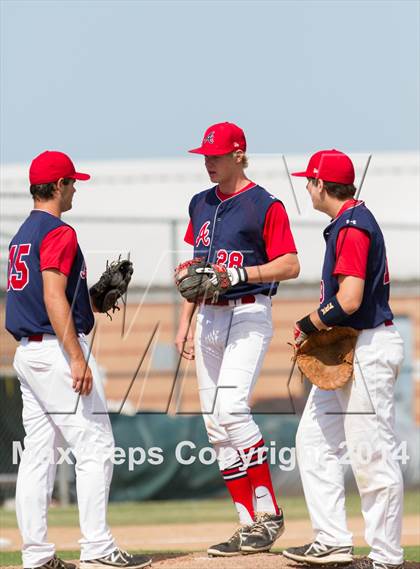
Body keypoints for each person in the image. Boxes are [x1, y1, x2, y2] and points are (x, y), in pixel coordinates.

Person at [5, 151, 151, 569]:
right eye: (70, 182)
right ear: (56, 187)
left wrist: (89, 302)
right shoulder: (59, 232)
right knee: (96, 446)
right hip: (54, 352)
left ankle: (35, 555)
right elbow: (51, 298)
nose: (74, 189)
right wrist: (75, 357)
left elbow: (46, 297)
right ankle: (99, 550)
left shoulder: (23, 235)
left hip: (29, 352)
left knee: (38, 455)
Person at [175, 122, 300, 557]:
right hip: (208, 317)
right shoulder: (200, 203)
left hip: (249, 311)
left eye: (216, 155)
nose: (208, 162)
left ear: (238, 155)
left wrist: (242, 273)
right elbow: (196, 270)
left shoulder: (265, 204)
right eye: (205, 156)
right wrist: (184, 322)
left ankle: (269, 513)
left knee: (231, 409)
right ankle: (247, 523)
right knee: (214, 424)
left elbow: (290, 265)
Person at [282, 150, 405, 569]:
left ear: (320, 185)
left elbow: (349, 299)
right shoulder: (346, 223)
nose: (306, 187)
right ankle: (332, 541)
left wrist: (307, 324)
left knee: (371, 453)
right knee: (313, 441)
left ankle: (386, 556)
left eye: (309, 181)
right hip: (352, 347)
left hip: (368, 346)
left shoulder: (353, 227)